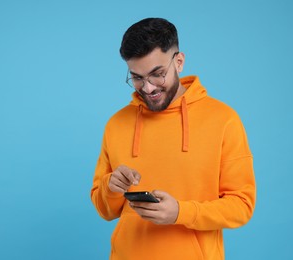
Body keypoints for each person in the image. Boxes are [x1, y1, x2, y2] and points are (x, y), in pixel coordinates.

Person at [90, 17, 256, 260]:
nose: (147, 88)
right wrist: (111, 187)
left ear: (179, 62)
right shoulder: (117, 124)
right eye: (137, 77)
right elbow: (104, 209)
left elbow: (242, 206)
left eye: (157, 74)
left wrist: (181, 212)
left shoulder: (223, 119)